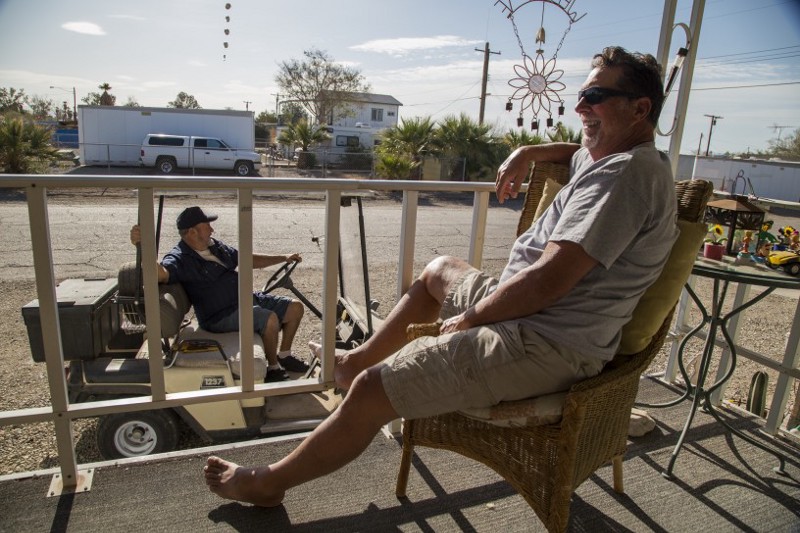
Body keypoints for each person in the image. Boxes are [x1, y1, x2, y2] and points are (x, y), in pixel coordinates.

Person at [203, 46, 678, 506]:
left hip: (546, 340)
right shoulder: (609, 157)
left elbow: (548, 281)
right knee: (439, 271)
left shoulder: (625, 176)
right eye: (581, 96)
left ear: (640, 109)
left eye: (594, 97)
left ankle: (268, 482)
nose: (580, 107)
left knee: (373, 391)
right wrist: (529, 151)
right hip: (532, 313)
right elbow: (575, 152)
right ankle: (354, 362)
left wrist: (471, 319)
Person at [130, 206, 309, 382]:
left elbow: (246, 259)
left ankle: (284, 355)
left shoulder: (214, 246)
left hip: (244, 300)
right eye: (207, 226)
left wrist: (282, 257)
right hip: (219, 315)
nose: (212, 229)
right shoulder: (180, 258)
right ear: (192, 232)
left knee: (295, 308)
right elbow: (160, 274)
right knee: (269, 319)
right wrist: (142, 246)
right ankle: (273, 368)